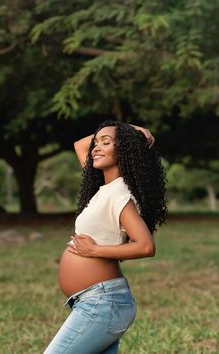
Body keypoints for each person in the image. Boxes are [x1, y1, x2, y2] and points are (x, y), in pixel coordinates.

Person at [43, 120, 167, 354]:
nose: (96, 147)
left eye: (106, 143)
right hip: (95, 302)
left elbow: (145, 246)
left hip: (102, 303)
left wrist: (94, 251)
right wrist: (130, 129)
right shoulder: (104, 188)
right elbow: (80, 145)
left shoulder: (120, 194)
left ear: (124, 151)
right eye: (96, 143)